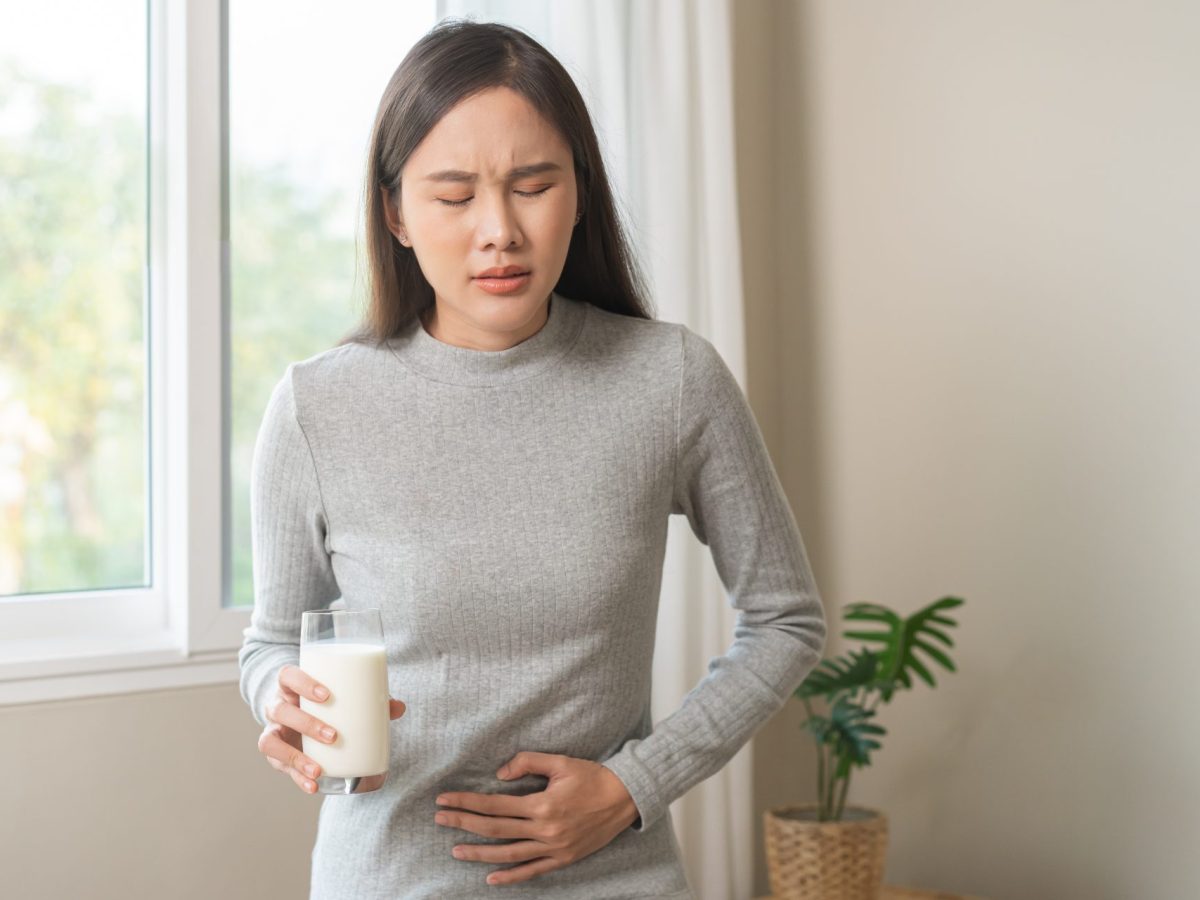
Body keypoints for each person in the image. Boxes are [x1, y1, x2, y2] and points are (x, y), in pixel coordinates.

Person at [238, 17, 826, 900]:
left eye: (532, 185)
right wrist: (278, 703)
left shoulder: (668, 379)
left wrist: (637, 784)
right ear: (395, 212)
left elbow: (787, 618)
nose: (499, 230)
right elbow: (273, 642)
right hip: (388, 876)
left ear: (578, 194)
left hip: (618, 878)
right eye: (454, 194)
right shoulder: (316, 407)